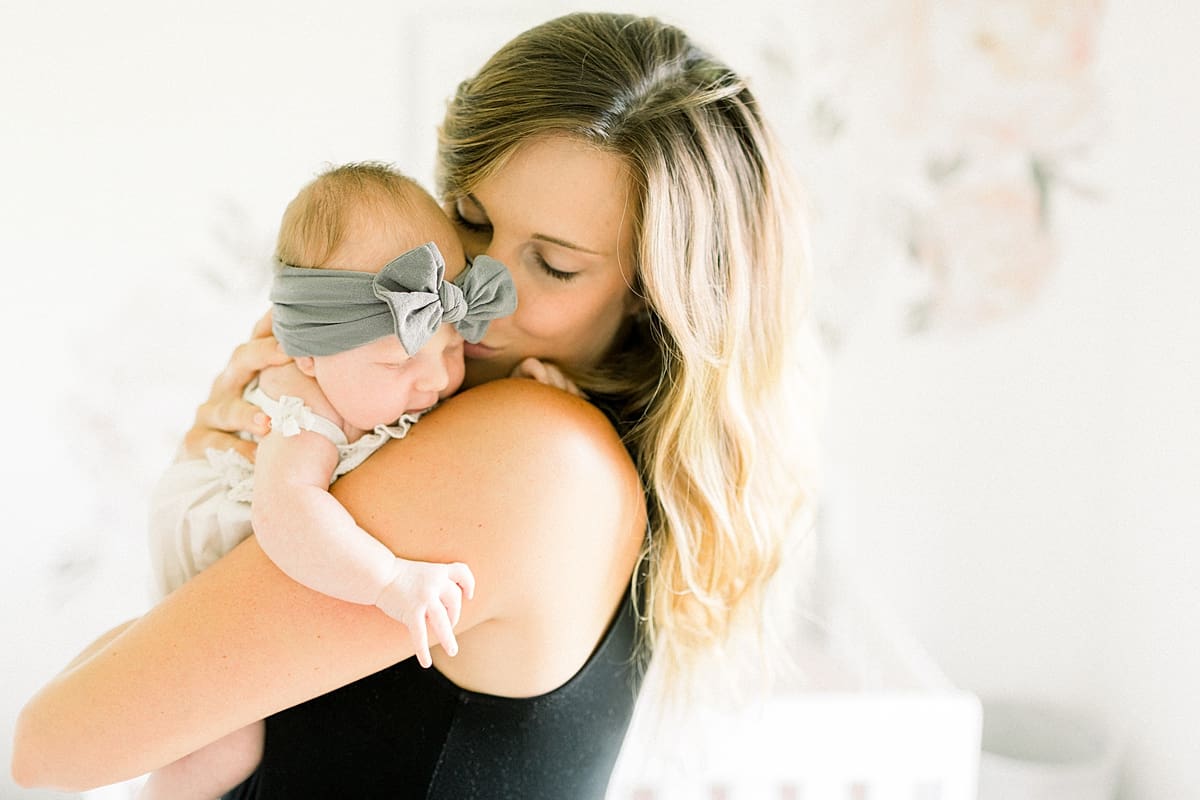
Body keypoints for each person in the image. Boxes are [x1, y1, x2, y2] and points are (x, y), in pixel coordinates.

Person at [13, 12, 816, 799]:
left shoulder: (530, 454)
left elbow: (54, 747)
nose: (474, 294)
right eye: (470, 221)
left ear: (651, 297)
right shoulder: (548, 443)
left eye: (556, 266)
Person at [138, 161, 525, 800]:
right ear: (311, 353)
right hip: (218, 536)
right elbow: (289, 513)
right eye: (402, 357)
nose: (434, 380)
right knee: (228, 740)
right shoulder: (301, 405)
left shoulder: (374, 385)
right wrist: (389, 581)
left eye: (454, 349)